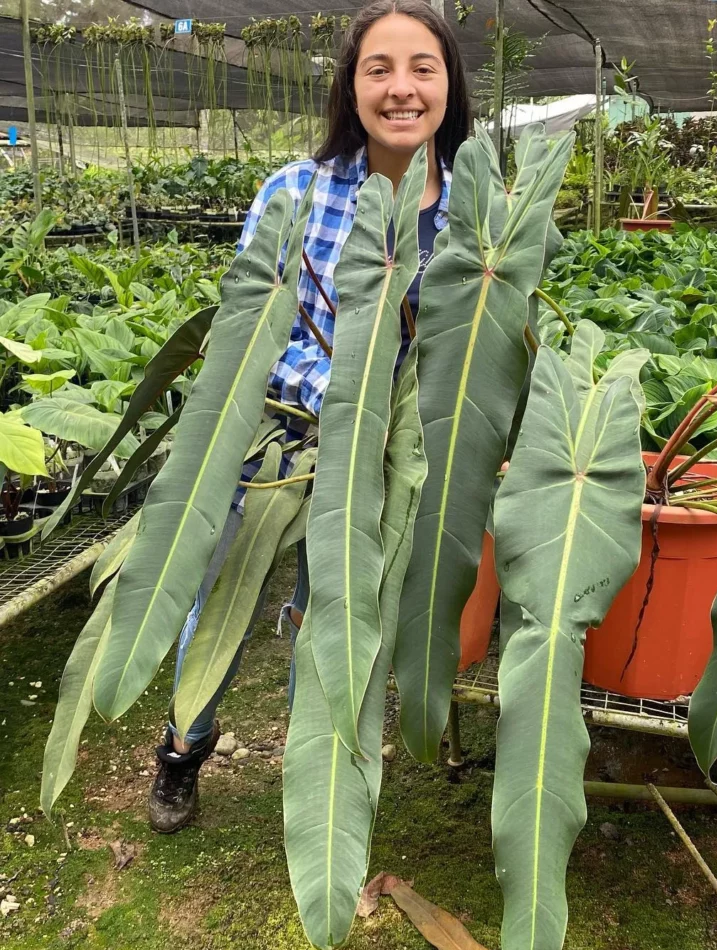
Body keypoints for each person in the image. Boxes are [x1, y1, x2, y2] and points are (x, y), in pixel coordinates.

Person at [148, 0, 471, 833]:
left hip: (383, 454)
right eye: (379, 69)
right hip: (276, 434)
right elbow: (250, 326)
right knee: (214, 594)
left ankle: (316, 770)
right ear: (351, 87)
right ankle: (183, 748)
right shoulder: (295, 193)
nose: (402, 88)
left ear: (449, 84)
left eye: (421, 68)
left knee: (326, 616)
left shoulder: (477, 209)